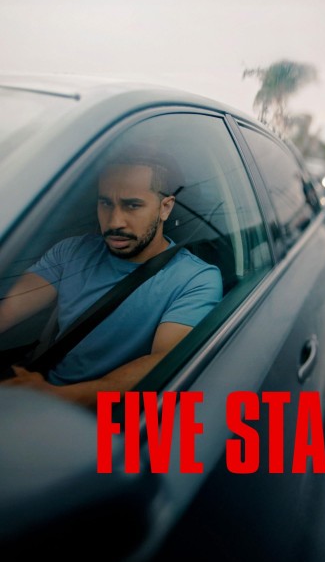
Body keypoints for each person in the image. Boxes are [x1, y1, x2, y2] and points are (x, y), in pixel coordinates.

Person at [0, 151, 223, 407]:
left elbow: (164, 361)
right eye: (105, 203)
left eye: (132, 205)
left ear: (165, 207)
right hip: (39, 393)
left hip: (107, 416)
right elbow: (8, 308)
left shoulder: (196, 279)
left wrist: (52, 396)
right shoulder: (72, 251)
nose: (115, 222)